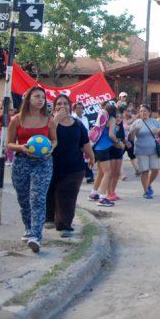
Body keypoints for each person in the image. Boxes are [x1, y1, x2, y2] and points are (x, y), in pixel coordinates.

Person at [6, 86, 57, 253]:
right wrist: (21, 147)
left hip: (43, 162)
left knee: (38, 198)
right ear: (28, 99)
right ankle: (28, 228)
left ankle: (36, 236)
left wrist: (51, 148)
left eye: (42, 97)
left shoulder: (49, 119)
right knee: (24, 199)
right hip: (22, 162)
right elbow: (9, 144)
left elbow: (54, 140)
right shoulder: (17, 119)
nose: (40, 100)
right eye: (36, 96)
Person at [45, 94, 94, 237]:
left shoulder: (78, 124)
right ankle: (50, 217)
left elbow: (85, 143)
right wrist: (56, 120)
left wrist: (91, 157)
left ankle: (64, 225)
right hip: (51, 165)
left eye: (65, 103)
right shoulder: (49, 122)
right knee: (51, 193)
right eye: (59, 104)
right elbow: (46, 138)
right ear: (54, 107)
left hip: (74, 167)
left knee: (68, 196)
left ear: (70, 106)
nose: (62, 106)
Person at [129, 104, 160, 199]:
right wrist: (134, 130)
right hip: (141, 150)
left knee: (155, 169)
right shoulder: (136, 123)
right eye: (141, 111)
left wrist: (158, 131)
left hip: (153, 150)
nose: (143, 113)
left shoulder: (155, 122)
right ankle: (146, 191)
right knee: (144, 171)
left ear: (149, 112)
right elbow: (130, 138)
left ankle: (148, 184)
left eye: (144, 111)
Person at [89, 104, 121, 207]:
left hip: (97, 148)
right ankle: (102, 198)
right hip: (103, 149)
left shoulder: (102, 117)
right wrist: (117, 142)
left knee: (101, 173)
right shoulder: (111, 119)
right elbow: (111, 135)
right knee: (108, 172)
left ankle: (93, 193)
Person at [72, 102, 95, 183]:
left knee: (87, 158)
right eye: (78, 108)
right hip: (75, 142)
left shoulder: (85, 118)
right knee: (78, 159)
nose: (80, 110)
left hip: (84, 141)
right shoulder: (72, 118)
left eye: (81, 108)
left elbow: (87, 130)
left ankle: (89, 175)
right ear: (74, 109)